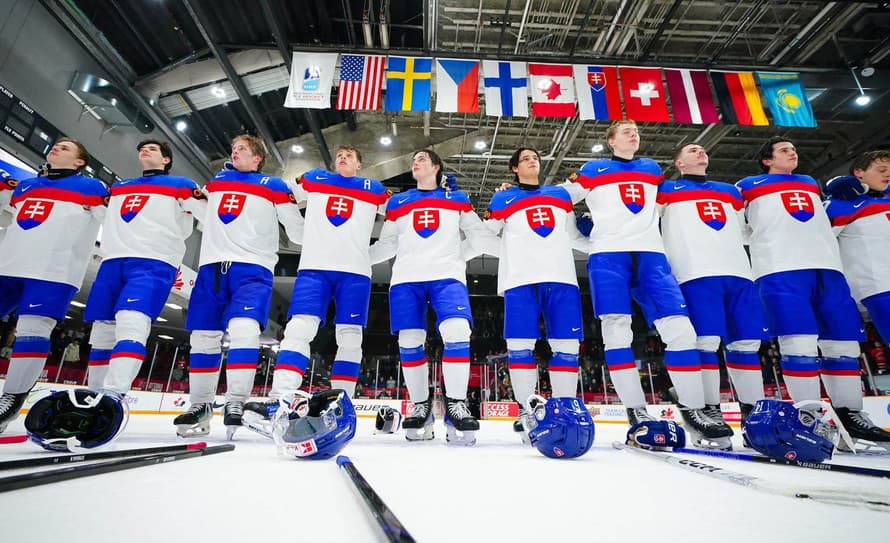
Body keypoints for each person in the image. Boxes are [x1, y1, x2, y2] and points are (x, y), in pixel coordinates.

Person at [563, 120, 730, 442]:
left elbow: (673, 205)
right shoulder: (594, 168)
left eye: (636, 130)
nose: (633, 133)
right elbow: (559, 199)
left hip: (652, 255)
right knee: (616, 328)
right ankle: (635, 409)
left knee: (681, 330)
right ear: (611, 141)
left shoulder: (653, 169)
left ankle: (693, 407)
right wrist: (584, 236)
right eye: (625, 131)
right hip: (608, 256)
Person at [737, 137, 890, 450]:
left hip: (829, 269)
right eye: (783, 149)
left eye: (793, 148)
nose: (792, 151)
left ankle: (851, 414)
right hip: (780, 269)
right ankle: (809, 415)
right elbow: (737, 226)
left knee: (843, 344)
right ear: (766, 160)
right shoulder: (747, 185)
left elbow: (829, 219)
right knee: (799, 342)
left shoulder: (810, 183)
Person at [243, 146, 389, 431]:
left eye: (350, 154)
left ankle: (342, 404)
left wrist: (364, 256)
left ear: (360, 164)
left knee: (350, 337)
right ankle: (280, 400)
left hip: (355, 274)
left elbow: (400, 216)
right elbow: (280, 195)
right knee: (298, 329)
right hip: (314, 269)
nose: (343, 157)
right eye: (340, 154)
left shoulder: (374, 188)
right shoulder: (315, 178)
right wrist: (299, 232)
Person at [174, 135, 304, 439]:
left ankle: (236, 402)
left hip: (253, 267)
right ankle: (200, 406)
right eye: (233, 147)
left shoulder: (274, 186)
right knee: (203, 337)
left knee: (244, 329)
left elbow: (296, 232)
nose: (235, 151)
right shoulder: (215, 183)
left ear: (258, 157)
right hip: (211, 266)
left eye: (243, 148)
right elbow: (207, 216)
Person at [367, 148, 497, 444]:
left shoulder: (458, 200)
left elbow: (479, 237)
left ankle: (456, 405)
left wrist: (456, 257)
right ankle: (421, 407)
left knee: (457, 330)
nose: (415, 162)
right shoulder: (397, 202)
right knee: (409, 339)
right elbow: (387, 244)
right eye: (413, 159)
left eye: (423, 158)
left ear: (437, 167)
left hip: (446, 277)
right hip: (406, 279)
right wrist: (357, 258)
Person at [657, 142, 768, 448]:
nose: (700, 152)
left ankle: (754, 415)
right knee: (706, 342)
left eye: (702, 149)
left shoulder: (731, 192)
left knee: (746, 343)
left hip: (739, 273)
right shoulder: (665, 190)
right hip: (695, 273)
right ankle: (710, 409)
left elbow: (747, 229)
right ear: (678, 163)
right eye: (691, 151)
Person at [78, 140, 205, 404]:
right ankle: (93, 396)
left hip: (154, 260)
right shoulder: (119, 188)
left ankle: (113, 396)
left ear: (166, 160)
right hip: (113, 260)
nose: (144, 151)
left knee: (131, 321)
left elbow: (210, 215)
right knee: (102, 329)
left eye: (152, 149)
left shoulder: (182, 185)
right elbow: (103, 216)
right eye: (141, 149)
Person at [0, 138, 109, 432]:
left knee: (32, 330)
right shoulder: (25, 187)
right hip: (7, 266)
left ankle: (11, 398)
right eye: (56, 145)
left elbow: (115, 226)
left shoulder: (93, 188)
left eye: (66, 148)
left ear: (79, 162)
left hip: (54, 272)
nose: (56, 148)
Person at [486, 147, 588, 442]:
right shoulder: (503, 198)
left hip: (562, 278)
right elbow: (484, 233)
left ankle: (565, 409)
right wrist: (511, 254)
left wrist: (597, 236)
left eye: (536, 158)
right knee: (519, 347)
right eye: (526, 158)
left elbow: (574, 237)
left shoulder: (560, 195)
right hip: (520, 280)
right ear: (514, 168)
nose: (533, 161)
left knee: (567, 346)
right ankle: (527, 410)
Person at [824, 150, 890, 350]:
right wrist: (833, 186)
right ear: (859, 172)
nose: (887, 174)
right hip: (880, 286)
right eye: (881, 170)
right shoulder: (841, 204)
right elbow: (812, 235)